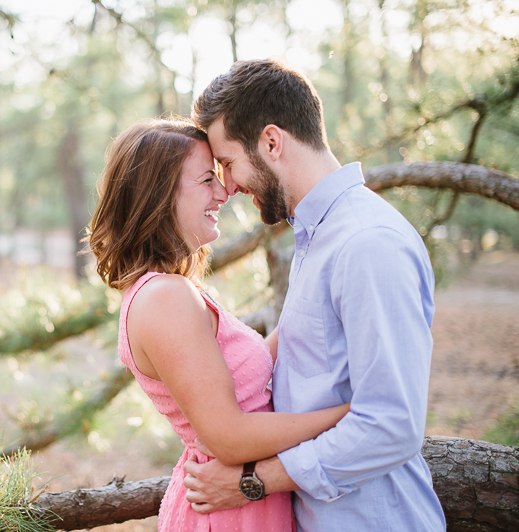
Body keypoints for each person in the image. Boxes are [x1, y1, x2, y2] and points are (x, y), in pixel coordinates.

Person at [183, 59, 446, 531]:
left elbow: (390, 424)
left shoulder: (367, 244)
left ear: (271, 141)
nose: (229, 186)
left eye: (228, 163)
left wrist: (255, 481)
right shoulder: (317, 238)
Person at [87, 118, 350, 531]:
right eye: (208, 178)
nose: (225, 191)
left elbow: (243, 382)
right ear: (159, 195)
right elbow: (229, 436)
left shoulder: (171, 291)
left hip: (245, 503)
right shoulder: (163, 298)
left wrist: (322, 290)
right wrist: (350, 414)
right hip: (227, 511)